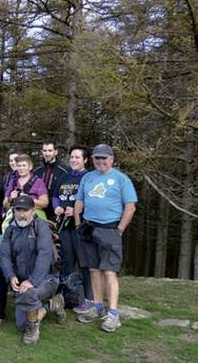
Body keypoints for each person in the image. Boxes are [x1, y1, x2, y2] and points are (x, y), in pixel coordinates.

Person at [74, 144, 137, 333]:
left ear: (111, 159)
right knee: (93, 270)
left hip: (110, 230)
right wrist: (78, 224)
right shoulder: (88, 177)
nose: (100, 161)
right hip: (88, 229)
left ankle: (113, 314)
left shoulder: (121, 179)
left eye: (104, 158)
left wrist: (119, 229)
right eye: (97, 158)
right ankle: (98, 307)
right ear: (92, 160)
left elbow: (130, 206)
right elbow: (79, 201)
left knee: (109, 272)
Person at [0, 195, 65, 345]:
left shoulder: (41, 226)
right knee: (21, 325)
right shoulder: (10, 228)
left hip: (47, 278)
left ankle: (33, 330)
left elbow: (45, 254)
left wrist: (32, 281)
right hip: (24, 280)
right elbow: (4, 255)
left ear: (33, 210)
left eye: (25, 210)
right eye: (18, 210)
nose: (21, 214)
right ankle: (53, 304)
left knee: (29, 294)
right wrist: (10, 276)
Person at [53, 146, 92, 312]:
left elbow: (93, 200)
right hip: (64, 226)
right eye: (72, 157)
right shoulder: (64, 176)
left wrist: (78, 210)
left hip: (81, 227)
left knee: (84, 264)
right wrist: (57, 208)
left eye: (78, 157)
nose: (74, 160)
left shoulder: (89, 178)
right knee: (67, 263)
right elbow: (55, 196)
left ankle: (89, 299)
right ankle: (69, 298)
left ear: (85, 160)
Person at [3, 155, 48, 224]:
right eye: (19, 166)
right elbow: (5, 204)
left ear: (30, 167)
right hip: (16, 214)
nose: (21, 168)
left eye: (24, 165)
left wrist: (29, 199)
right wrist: (10, 198)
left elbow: (45, 203)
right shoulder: (13, 182)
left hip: (34, 214)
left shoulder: (38, 182)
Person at [33, 141, 69, 221]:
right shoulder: (37, 171)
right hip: (39, 211)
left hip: (57, 211)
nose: (47, 154)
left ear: (55, 152)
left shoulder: (64, 171)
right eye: (45, 151)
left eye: (50, 150)